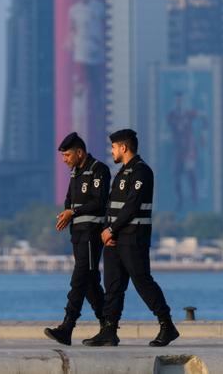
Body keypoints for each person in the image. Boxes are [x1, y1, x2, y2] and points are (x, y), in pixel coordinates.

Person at [83, 129, 179, 348]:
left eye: (114, 147)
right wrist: (108, 231)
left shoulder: (142, 172)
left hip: (133, 238)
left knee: (142, 281)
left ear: (123, 148)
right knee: (113, 286)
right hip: (115, 239)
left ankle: (167, 325)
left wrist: (111, 229)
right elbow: (112, 207)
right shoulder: (122, 172)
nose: (112, 151)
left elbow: (133, 206)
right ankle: (109, 330)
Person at [44, 132, 111, 345]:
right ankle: (108, 327)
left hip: (92, 234)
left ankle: (67, 326)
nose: (64, 160)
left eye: (67, 155)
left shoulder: (99, 170)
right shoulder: (75, 173)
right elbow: (69, 200)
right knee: (90, 283)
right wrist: (66, 213)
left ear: (79, 152)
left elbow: (98, 202)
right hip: (77, 234)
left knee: (79, 279)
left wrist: (73, 212)